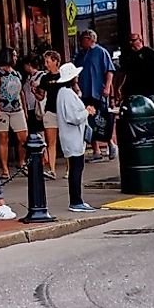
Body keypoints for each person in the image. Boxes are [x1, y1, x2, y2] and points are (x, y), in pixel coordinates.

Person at [54, 62, 94, 209]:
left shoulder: (65, 93)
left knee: (76, 168)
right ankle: (76, 201)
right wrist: (86, 112)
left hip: (72, 137)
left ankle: (77, 200)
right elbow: (73, 117)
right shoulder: (66, 94)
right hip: (73, 138)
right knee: (76, 169)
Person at [75, 31, 114, 157]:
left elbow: (109, 70)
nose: (80, 42)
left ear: (89, 39)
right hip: (84, 92)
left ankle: (110, 143)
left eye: (82, 39)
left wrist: (107, 87)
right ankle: (96, 150)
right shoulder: (80, 55)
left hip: (98, 91)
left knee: (102, 119)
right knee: (89, 121)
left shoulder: (101, 52)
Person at [0, 57, 27, 175]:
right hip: (2, 108)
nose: (16, 58)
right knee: (3, 138)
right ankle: (5, 168)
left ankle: (21, 162)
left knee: (23, 137)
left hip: (16, 108)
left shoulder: (16, 73)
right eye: (14, 55)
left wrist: (25, 109)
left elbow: (21, 92)